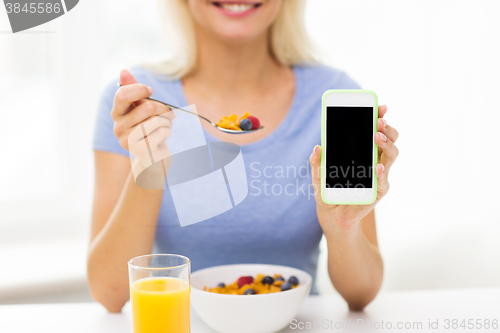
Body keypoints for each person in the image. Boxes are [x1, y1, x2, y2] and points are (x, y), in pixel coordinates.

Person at [88, 0, 399, 312]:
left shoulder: (334, 100)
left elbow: (362, 293)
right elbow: (110, 292)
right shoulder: (142, 104)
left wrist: (343, 227)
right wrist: (148, 166)